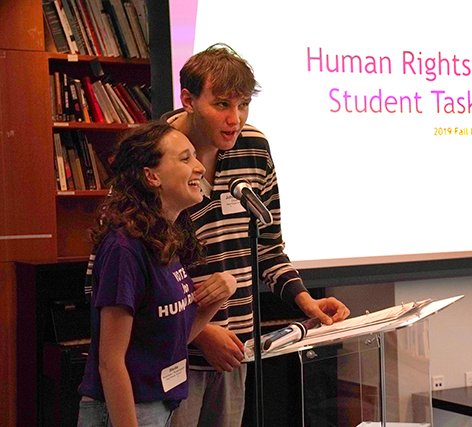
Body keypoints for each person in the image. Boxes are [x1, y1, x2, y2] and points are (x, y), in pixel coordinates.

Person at [164, 44, 351, 427]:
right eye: (222, 105)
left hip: (236, 352)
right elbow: (146, 267)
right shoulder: (156, 152)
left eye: (243, 105)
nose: (234, 119)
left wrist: (306, 302)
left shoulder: (254, 147)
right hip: (174, 353)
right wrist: (201, 333)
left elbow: (268, 246)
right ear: (188, 99)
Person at [77, 121, 237, 426]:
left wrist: (218, 297)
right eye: (185, 158)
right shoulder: (124, 249)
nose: (200, 168)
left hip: (159, 405)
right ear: (152, 176)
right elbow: (110, 362)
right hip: (126, 410)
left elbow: (174, 339)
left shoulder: (162, 238)